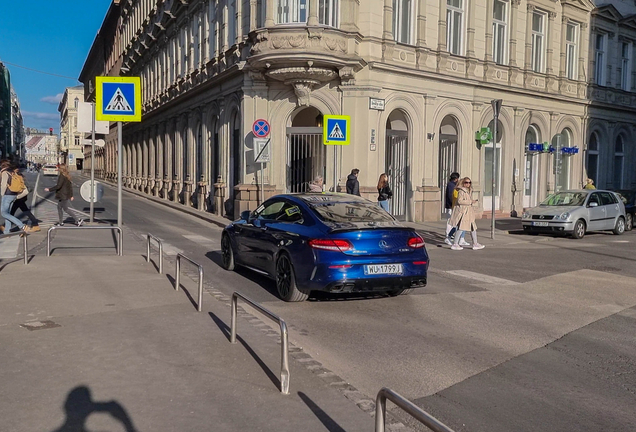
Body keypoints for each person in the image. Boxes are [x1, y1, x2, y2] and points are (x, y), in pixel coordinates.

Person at [448, 177, 484, 251]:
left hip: (469, 212)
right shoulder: (461, 191)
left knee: (473, 227)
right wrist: (470, 201)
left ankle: (475, 243)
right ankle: (455, 244)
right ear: (463, 183)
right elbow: (460, 201)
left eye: (469, 182)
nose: (468, 184)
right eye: (466, 182)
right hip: (464, 212)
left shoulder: (469, 190)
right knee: (461, 228)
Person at [1, 160, 34, 234]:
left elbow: (4, 184)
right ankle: (7, 231)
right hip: (14, 194)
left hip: (7, 194)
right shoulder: (13, 173)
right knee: (8, 213)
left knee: (3, 213)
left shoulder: (5, 173)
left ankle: (21, 225)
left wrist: (2, 194)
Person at [8, 166, 40, 232]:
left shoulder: (18, 176)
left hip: (20, 197)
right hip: (21, 197)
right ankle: (35, 224)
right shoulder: (19, 175)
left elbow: (27, 187)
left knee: (11, 212)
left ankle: (8, 226)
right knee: (22, 210)